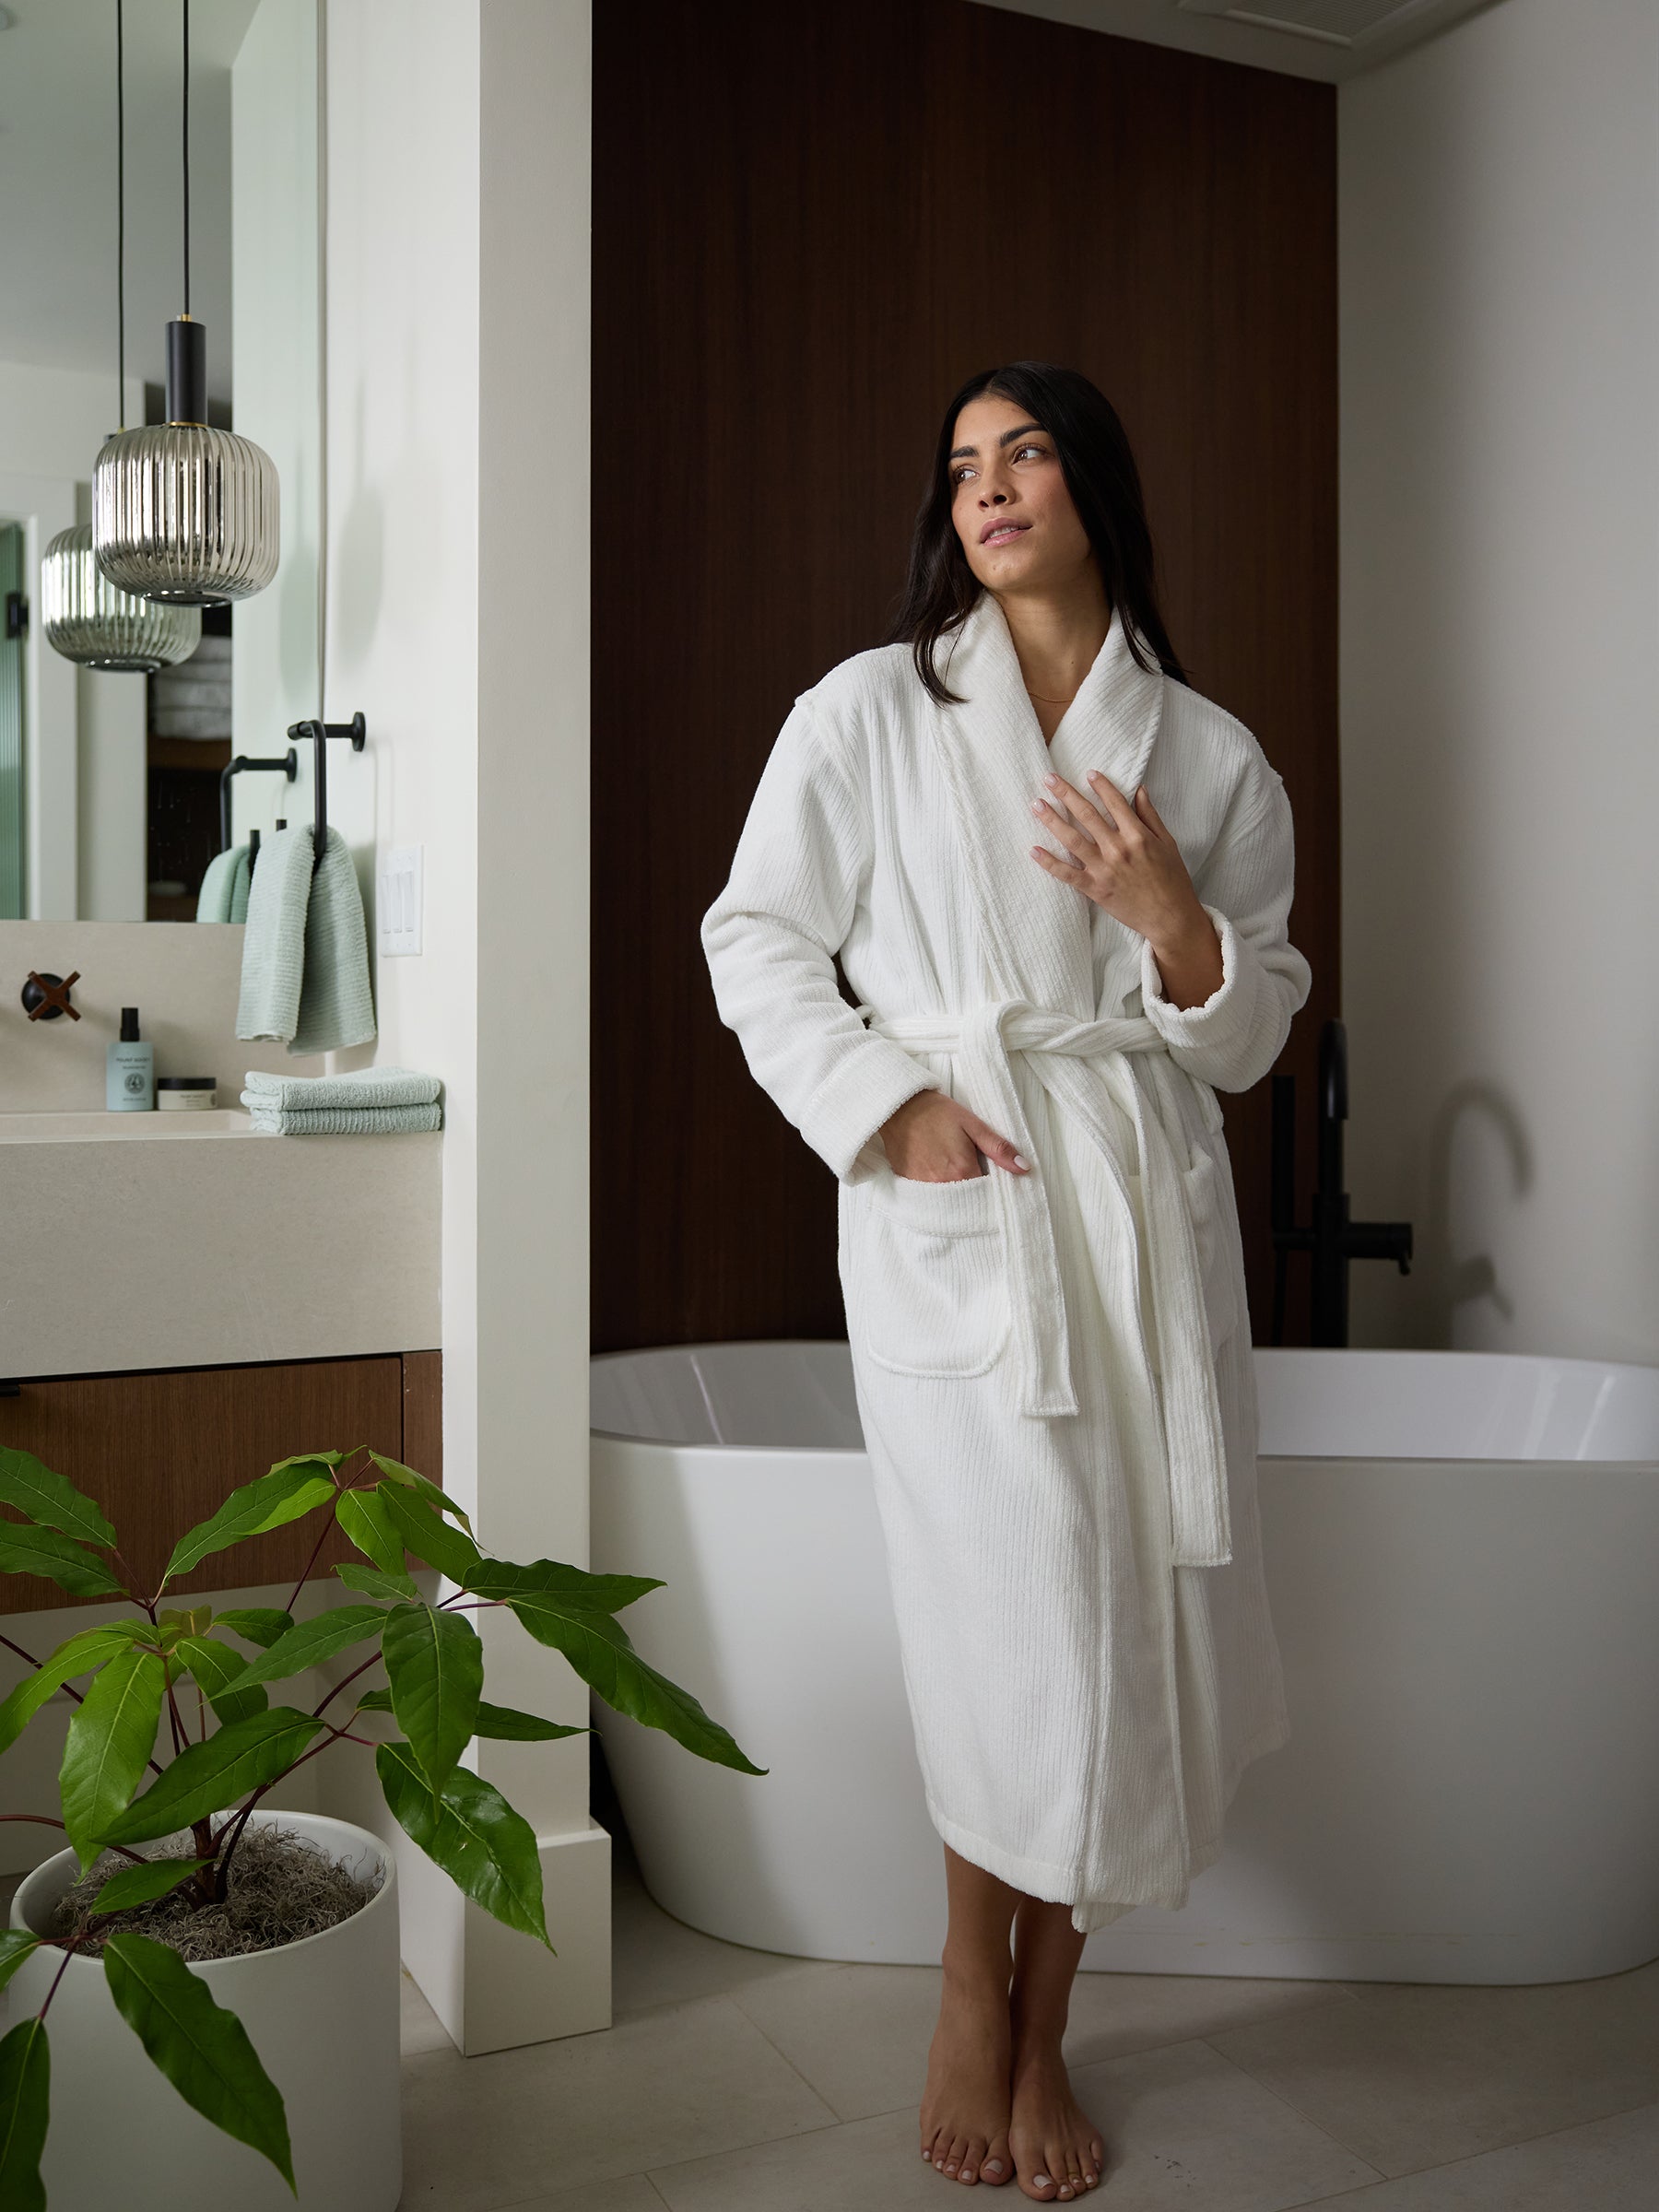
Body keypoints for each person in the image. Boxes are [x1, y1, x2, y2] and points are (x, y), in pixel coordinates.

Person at [700, 361, 1312, 2201]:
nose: (989, 485)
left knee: (1120, 1625)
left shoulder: (1205, 755)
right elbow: (757, 941)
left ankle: (1050, 2017)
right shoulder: (867, 713)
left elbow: (1255, 1019)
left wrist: (1176, 925)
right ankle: (976, 1979)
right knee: (1016, 1625)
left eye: (1026, 449)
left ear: (1092, 486)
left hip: (1137, 1225)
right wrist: (891, 1113)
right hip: (968, 1216)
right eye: (963, 463)